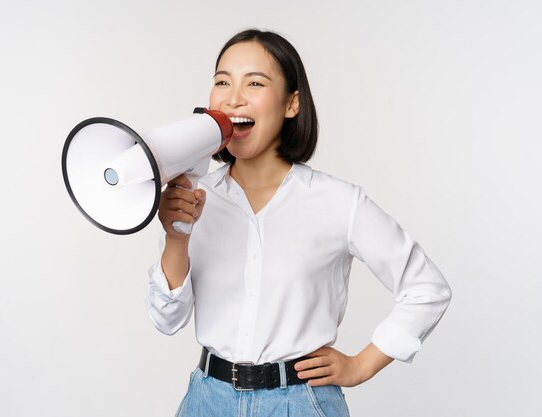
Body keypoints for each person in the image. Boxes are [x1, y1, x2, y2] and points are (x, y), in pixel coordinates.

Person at [146, 29, 452, 417]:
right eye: (222, 81)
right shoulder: (193, 196)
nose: (233, 97)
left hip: (301, 404)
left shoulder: (338, 202)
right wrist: (176, 237)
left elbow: (427, 288)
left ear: (292, 104)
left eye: (255, 83)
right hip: (207, 401)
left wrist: (362, 364)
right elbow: (166, 320)